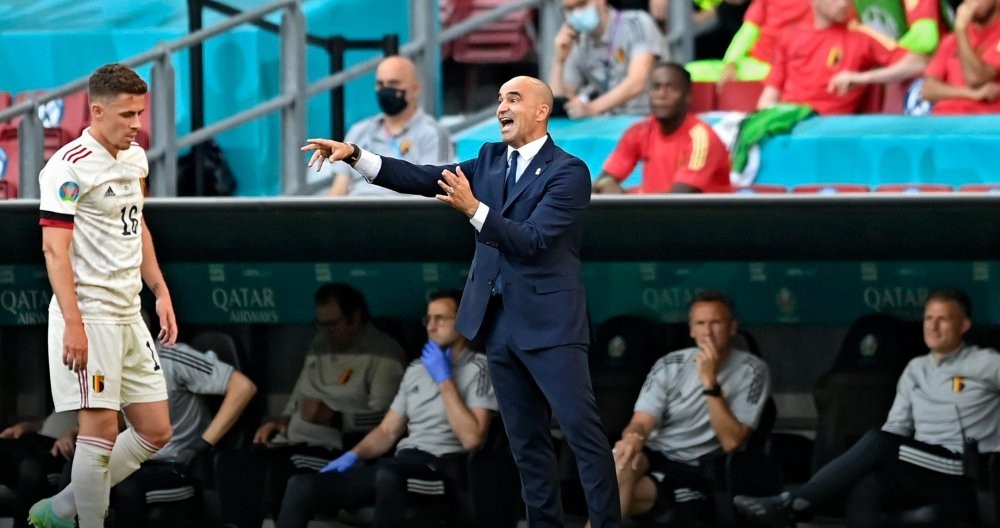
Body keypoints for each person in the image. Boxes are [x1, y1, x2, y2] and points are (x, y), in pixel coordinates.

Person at [302, 75, 622, 527]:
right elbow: (422, 177)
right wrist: (357, 156)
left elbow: (532, 241)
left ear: (541, 111)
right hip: (498, 325)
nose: (501, 108)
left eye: (513, 99)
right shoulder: (491, 159)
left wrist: (474, 209)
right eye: (498, 99)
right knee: (526, 444)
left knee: (581, 435)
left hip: (551, 326)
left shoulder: (569, 172)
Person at [32, 62, 178, 528]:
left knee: (156, 430)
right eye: (126, 115)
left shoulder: (135, 157)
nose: (137, 124)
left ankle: (64, 506)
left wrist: (159, 289)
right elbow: (55, 251)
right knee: (100, 431)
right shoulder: (67, 167)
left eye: (140, 113)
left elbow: (138, 227)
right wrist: (73, 323)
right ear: (96, 112)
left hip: (129, 312)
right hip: (90, 315)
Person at [734, 288, 1000, 527]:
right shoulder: (916, 368)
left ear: (964, 325)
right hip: (924, 467)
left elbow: (884, 442)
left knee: (876, 442)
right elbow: (897, 426)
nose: (933, 326)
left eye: (943, 319)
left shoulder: (985, 362)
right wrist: (875, 458)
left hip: (963, 466)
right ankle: (795, 504)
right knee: (868, 484)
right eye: (929, 318)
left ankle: (793, 502)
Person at [275, 289, 498, 528]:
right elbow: (387, 432)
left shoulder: (479, 368)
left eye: (440, 318)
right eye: (428, 319)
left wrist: (445, 380)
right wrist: (353, 455)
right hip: (399, 463)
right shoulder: (417, 369)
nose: (431, 327)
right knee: (301, 486)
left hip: (440, 469)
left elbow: (472, 439)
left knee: (388, 476)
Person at [597, 290, 770, 526]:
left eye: (715, 322)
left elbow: (732, 440)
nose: (707, 331)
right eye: (700, 323)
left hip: (696, 468)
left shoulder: (751, 369)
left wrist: (710, 384)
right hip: (654, 454)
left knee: (614, 498)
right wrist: (633, 440)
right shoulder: (670, 364)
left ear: (732, 328)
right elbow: (641, 422)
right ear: (691, 330)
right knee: (622, 464)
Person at [248, 283, 405, 520]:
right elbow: (300, 392)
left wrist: (335, 418)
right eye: (321, 324)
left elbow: (386, 420)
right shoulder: (319, 344)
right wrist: (281, 422)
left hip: (337, 448)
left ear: (355, 318)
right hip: (293, 440)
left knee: (279, 469)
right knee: (245, 462)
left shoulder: (384, 353)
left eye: (332, 324)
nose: (326, 332)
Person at [110, 338, 257, 527]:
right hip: (136, 458)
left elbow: (243, 387)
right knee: (76, 474)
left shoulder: (170, 357)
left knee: (127, 488)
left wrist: (202, 445)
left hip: (177, 464)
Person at [757, 0, 929, 115]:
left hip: (831, 131)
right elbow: (766, 100)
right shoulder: (789, 36)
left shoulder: (860, 35)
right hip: (790, 124)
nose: (843, 3)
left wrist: (863, 78)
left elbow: (918, 63)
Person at [322, 55, 455, 197]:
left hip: (404, 215)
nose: (385, 90)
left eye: (393, 83)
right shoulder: (359, 131)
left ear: (415, 89)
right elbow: (338, 190)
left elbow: (436, 188)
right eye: (380, 84)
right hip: (356, 213)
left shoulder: (432, 133)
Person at [593, 63, 732, 194]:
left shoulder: (701, 138)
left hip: (700, 217)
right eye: (656, 87)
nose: (661, 95)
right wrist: (607, 184)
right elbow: (602, 180)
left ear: (688, 97)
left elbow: (678, 201)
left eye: (671, 88)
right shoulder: (638, 131)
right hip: (653, 214)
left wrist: (626, 197)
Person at [550, 0, 666, 118]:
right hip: (608, 123)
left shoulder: (637, 22)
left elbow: (637, 83)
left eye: (582, 4)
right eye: (570, 9)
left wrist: (591, 109)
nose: (576, 13)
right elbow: (562, 100)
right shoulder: (578, 41)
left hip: (648, 118)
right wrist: (559, 60)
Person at [686, 0, 813, 83]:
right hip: (753, 65)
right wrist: (731, 63)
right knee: (687, 72)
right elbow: (748, 31)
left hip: (790, 68)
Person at [921, 0, 1000, 114]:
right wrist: (973, 94)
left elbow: (976, 79)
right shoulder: (952, 38)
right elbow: (927, 90)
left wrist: (961, 30)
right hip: (943, 119)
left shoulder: (961, 32)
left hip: (981, 121)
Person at [0, 413, 77, 528]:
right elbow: (53, 419)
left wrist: (75, 431)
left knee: (31, 468)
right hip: (40, 438)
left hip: (67, 447)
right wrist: (30, 426)